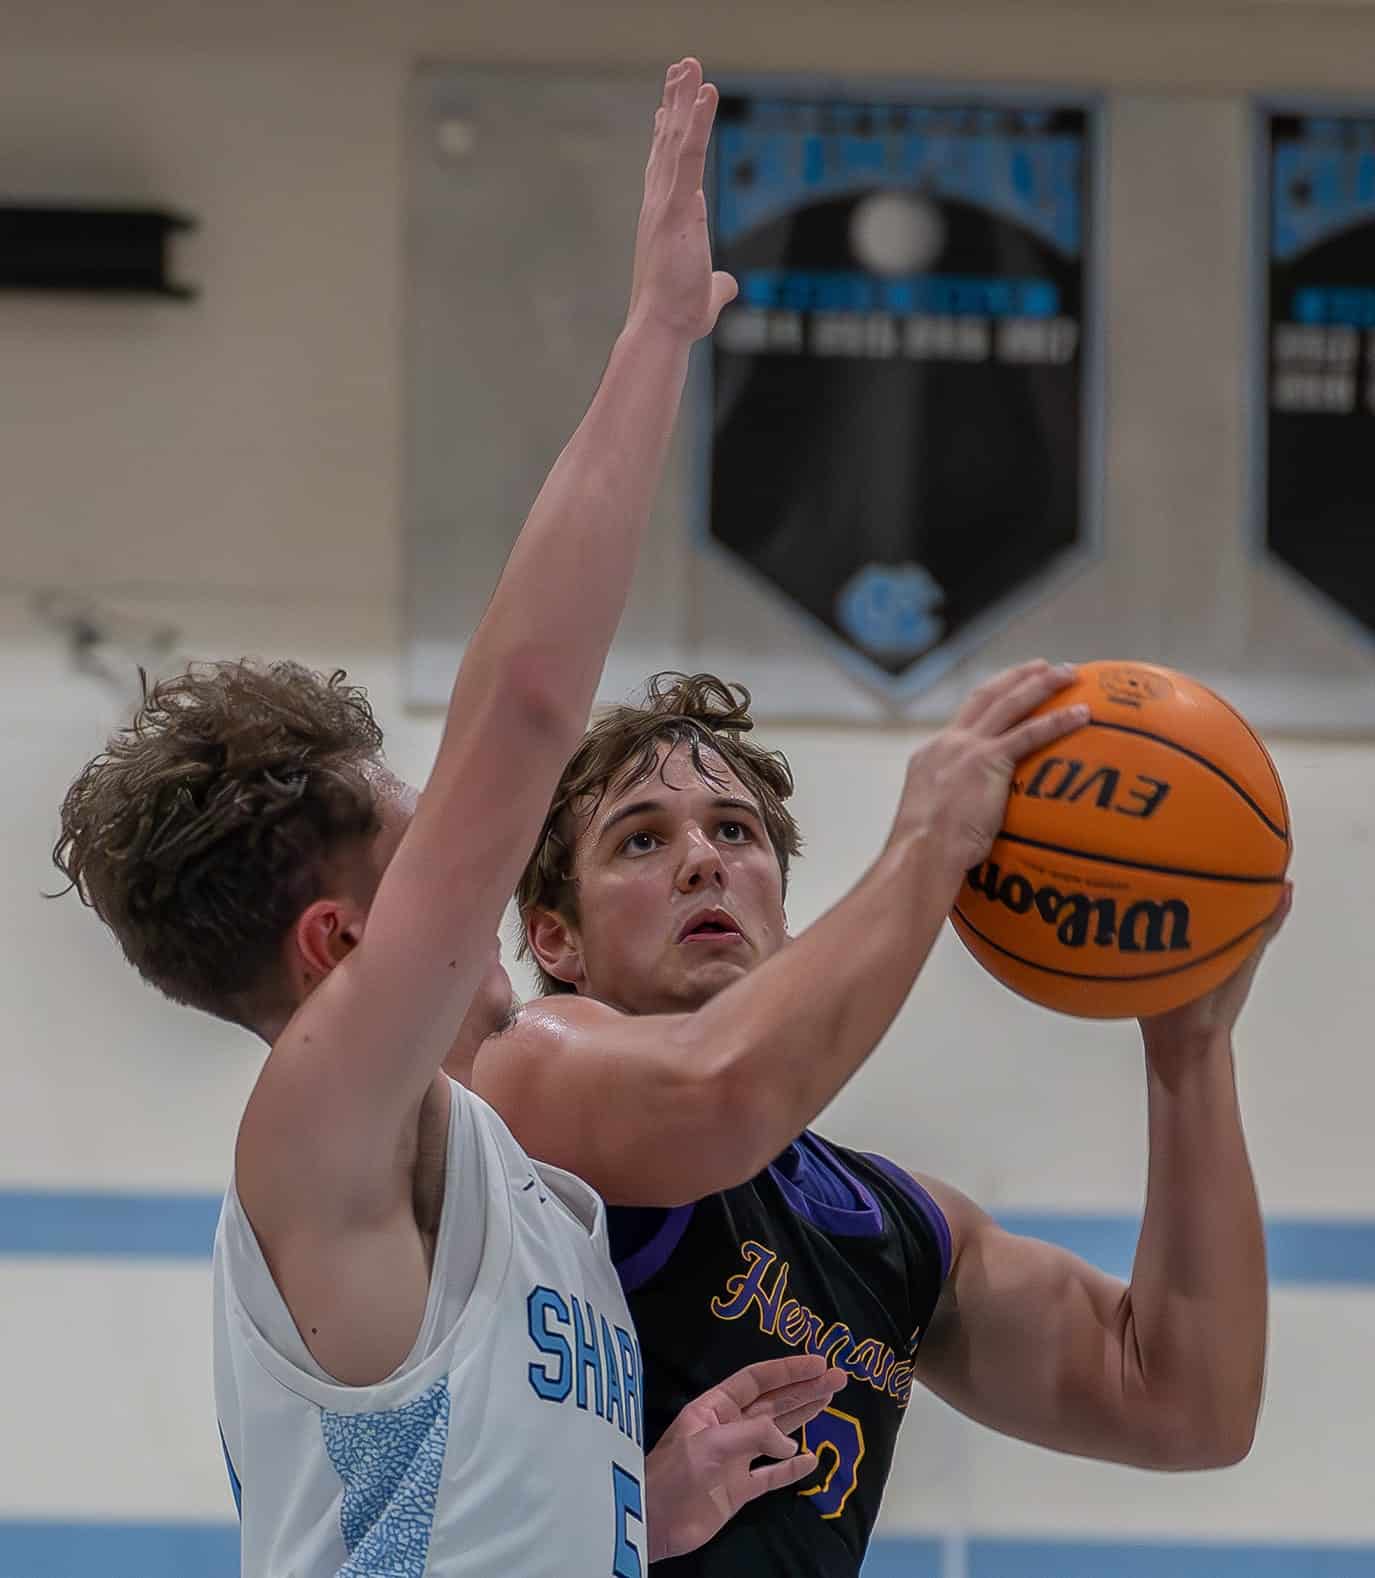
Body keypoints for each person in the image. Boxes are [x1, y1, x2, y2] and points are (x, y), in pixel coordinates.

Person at [51, 60, 855, 1578]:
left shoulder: (487, 1176)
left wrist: (637, 1500)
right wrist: (658, 333)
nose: (472, 871)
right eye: (429, 851)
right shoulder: (315, 1126)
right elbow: (533, 703)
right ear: (342, 939)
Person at [459, 667, 1291, 1577]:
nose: (702, 860)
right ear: (554, 939)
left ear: (779, 898)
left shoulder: (892, 1225)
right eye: (641, 841)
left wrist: (1188, 1054)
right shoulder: (522, 1073)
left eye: (732, 831)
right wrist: (930, 842)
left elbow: (1185, 1406)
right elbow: (718, 1094)